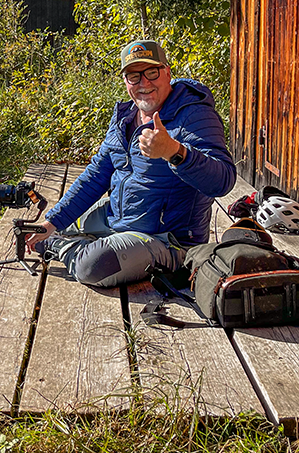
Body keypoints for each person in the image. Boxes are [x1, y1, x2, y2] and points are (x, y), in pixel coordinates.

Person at [25, 39, 236, 287]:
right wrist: (52, 221)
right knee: (47, 225)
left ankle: (60, 246)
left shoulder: (194, 114)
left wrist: (174, 152)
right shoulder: (124, 118)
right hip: (116, 218)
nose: (144, 83)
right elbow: (95, 176)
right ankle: (72, 239)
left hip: (166, 240)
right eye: (134, 76)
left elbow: (223, 181)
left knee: (91, 267)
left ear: (167, 72)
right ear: (125, 81)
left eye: (151, 72)